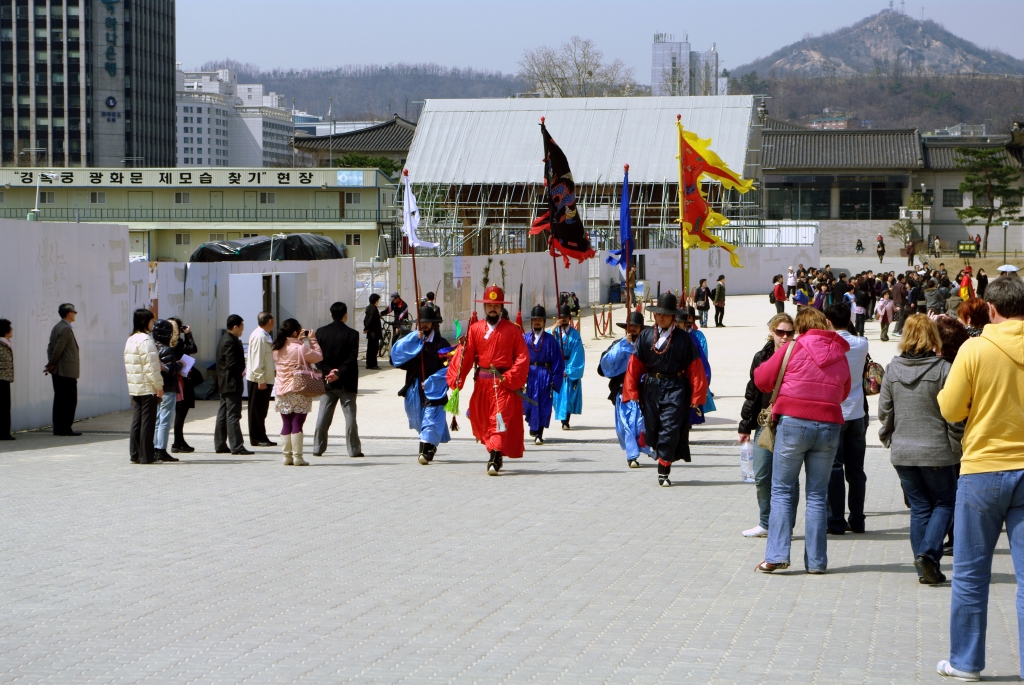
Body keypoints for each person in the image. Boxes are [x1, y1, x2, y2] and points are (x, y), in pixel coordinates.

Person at [935, 276, 1024, 681]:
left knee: (971, 573)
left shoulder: (976, 348)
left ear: (991, 309)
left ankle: (967, 662)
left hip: (983, 468)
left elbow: (952, 409)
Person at [754, 307, 851, 573]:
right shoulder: (840, 353)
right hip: (830, 425)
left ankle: (776, 556)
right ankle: (817, 562)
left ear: (801, 328)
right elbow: (843, 391)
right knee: (818, 495)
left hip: (794, 422)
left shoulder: (792, 348)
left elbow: (762, 380)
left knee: (783, 491)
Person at [621, 292, 708, 487]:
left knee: (669, 428)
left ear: (673, 317)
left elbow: (695, 369)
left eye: (666, 315)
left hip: (676, 388)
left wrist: (696, 396)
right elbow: (634, 366)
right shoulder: (645, 336)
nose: (661, 318)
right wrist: (632, 391)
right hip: (651, 388)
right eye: (658, 314)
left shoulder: (684, 339)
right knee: (653, 430)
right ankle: (661, 456)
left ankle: (663, 470)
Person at [448, 285, 530, 476]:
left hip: (503, 384)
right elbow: (465, 356)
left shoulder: (512, 330)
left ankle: (493, 457)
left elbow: (522, 357)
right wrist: (457, 378)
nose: (493, 309)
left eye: (496, 305)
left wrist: (510, 377)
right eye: (489, 305)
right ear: (484, 307)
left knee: (498, 420)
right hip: (483, 385)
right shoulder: (475, 329)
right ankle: (496, 451)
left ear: (501, 308)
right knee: (484, 421)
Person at [739, 313, 797, 538]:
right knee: (762, 475)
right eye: (780, 332)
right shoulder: (761, 356)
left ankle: (786, 526)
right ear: (772, 332)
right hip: (766, 422)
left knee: (787, 478)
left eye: (789, 333)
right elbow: (752, 393)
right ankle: (765, 522)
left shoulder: (797, 355)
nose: (784, 337)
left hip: (791, 421)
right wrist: (745, 426)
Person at [824, 304, 870, 536]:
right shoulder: (862, 343)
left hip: (835, 413)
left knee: (834, 469)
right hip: (857, 413)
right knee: (856, 470)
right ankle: (858, 519)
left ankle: (835, 520)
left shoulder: (829, 345)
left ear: (828, 321)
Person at [390, 306, 451, 464]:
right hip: (414, 388)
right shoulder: (411, 340)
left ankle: (424, 452)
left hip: (434, 389)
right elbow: (395, 359)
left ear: (433, 323)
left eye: (427, 322)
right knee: (418, 420)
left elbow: (448, 369)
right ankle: (430, 446)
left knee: (431, 418)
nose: (423, 325)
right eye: (420, 322)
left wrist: (432, 382)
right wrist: (411, 340)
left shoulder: (441, 343)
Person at [598, 310, 649, 467]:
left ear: (641, 328)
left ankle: (635, 453)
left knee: (640, 424)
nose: (632, 329)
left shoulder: (648, 345)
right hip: (622, 391)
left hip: (642, 391)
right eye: (630, 326)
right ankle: (631, 454)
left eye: (635, 326)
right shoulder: (617, 345)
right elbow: (605, 367)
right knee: (624, 425)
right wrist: (622, 347)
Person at [313, 302, 363, 458]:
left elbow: (317, 357)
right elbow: (351, 358)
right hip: (346, 381)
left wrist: (328, 372)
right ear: (345, 315)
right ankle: (353, 450)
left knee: (323, 416)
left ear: (330, 314)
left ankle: (317, 448)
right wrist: (339, 373)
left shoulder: (320, 333)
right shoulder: (353, 334)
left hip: (327, 381)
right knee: (350, 417)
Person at [272, 319, 323, 466]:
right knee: (297, 422)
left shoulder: (277, 347)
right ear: (295, 332)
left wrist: (298, 341)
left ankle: (286, 456)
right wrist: (312, 340)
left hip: (282, 389)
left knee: (286, 422)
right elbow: (318, 356)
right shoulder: (301, 348)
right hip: (298, 388)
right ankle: (298, 457)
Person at [123, 308, 163, 464]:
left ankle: (135, 454)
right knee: (148, 422)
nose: (153, 324)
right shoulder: (146, 340)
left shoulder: (130, 339)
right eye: (152, 321)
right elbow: (151, 367)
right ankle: (147, 455)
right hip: (147, 386)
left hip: (135, 386)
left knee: (137, 421)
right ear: (146, 322)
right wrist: (158, 386)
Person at [523, 305, 564, 445]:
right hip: (529, 375)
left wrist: (555, 379)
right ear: (532, 321)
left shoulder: (550, 340)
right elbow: (520, 358)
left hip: (544, 376)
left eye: (540, 320)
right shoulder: (525, 338)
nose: (537, 323)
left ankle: (539, 432)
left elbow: (557, 360)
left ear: (544, 322)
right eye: (535, 320)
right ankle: (533, 426)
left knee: (543, 404)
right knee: (529, 403)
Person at [214, 314, 253, 455]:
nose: (243, 329)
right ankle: (236, 445)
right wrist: (240, 371)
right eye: (242, 326)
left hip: (225, 382)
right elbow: (231, 363)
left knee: (223, 413)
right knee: (233, 414)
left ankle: (220, 444)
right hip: (231, 382)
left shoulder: (225, 339)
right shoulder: (230, 341)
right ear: (235, 326)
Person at [45, 303, 80, 436]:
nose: (75, 314)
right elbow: (58, 348)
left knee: (60, 399)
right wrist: (52, 363)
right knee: (69, 400)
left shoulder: (57, 327)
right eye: (74, 312)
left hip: (59, 370)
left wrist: (51, 363)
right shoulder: (65, 329)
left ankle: (59, 427)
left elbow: (50, 347)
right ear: (68, 313)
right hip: (66, 371)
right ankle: (65, 428)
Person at [151, 319, 183, 463]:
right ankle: (161, 449)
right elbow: (171, 371)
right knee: (165, 420)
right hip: (168, 388)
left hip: (156, 387)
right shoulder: (167, 349)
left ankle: (155, 447)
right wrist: (180, 365)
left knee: (157, 419)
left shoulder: (152, 348)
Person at [168, 317, 199, 454]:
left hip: (170, 380)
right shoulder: (177, 343)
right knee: (181, 412)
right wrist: (188, 334)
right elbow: (192, 348)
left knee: (177, 413)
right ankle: (177, 442)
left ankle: (179, 441)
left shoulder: (164, 343)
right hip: (181, 380)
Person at [551, 304, 584, 430]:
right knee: (558, 395)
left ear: (570, 318)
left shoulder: (575, 335)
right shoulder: (555, 332)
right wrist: (553, 329)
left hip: (570, 365)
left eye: (566, 317)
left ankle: (566, 420)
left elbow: (577, 353)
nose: (563, 319)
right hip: (557, 365)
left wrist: (569, 370)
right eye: (561, 317)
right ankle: (562, 419)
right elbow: (549, 344)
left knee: (569, 394)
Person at [246, 311, 277, 448]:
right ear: (270, 321)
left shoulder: (265, 336)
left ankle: (261, 435)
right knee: (256, 410)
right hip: (259, 380)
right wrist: (260, 379)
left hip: (266, 378)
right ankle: (256, 438)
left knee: (262, 410)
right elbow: (257, 359)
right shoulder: (259, 336)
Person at [0, 319, 13, 440]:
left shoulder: (6, 343)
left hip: (5, 378)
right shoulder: (1, 344)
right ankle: (3, 433)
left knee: (5, 406)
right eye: (10, 327)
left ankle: (5, 432)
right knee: (3, 406)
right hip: (1, 379)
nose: (12, 330)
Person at [363, 293, 383, 369]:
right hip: (374, 332)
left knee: (370, 348)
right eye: (378, 300)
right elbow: (370, 320)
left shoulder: (369, 308)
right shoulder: (373, 309)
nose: (378, 302)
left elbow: (366, 320)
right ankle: (373, 364)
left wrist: (366, 328)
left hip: (371, 332)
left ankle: (369, 364)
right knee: (374, 349)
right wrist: (366, 328)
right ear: (375, 301)